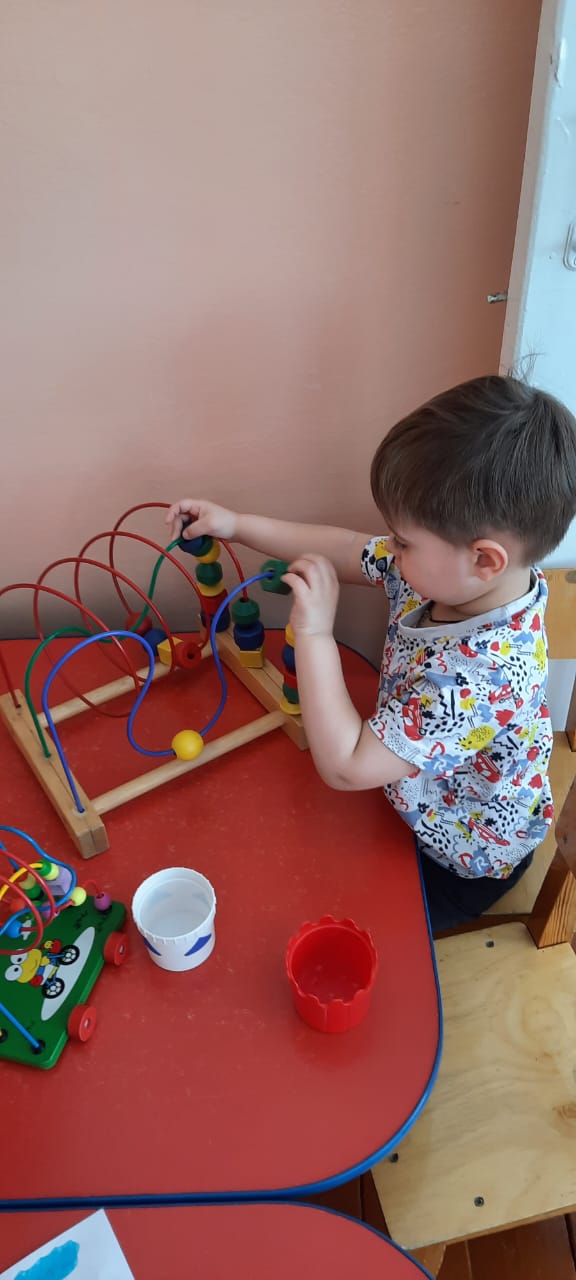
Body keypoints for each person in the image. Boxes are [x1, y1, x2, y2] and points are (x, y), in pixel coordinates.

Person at [167, 375, 576, 933]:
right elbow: (346, 548)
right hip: (409, 792)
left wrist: (314, 634)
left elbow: (346, 765)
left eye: (403, 541)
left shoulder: (484, 677)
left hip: (457, 859)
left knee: (341, 930)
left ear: (485, 560)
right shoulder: (454, 578)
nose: (391, 550)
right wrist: (236, 525)